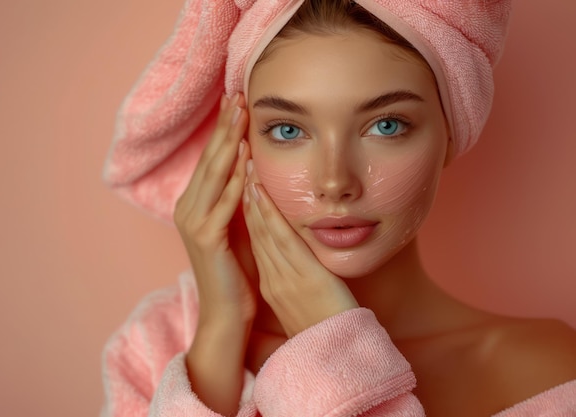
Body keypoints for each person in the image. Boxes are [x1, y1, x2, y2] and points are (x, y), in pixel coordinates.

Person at [100, 0, 576, 416]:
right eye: (288, 130)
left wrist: (332, 357)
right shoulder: (157, 351)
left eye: (387, 125)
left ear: (451, 131)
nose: (334, 182)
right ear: (238, 143)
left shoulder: (549, 373)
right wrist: (219, 336)